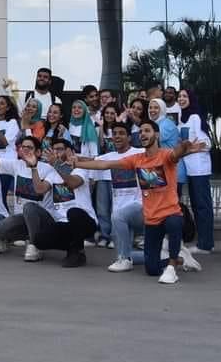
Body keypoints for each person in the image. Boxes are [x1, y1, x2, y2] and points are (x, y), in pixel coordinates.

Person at [70, 121, 208, 284]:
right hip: (151, 219)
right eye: (141, 131)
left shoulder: (165, 155)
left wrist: (184, 147)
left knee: (174, 222)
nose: (143, 134)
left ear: (157, 135)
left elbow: (176, 153)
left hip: (170, 213)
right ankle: (179, 259)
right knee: (152, 269)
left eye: (147, 131)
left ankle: (171, 268)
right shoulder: (137, 159)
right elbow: (105, 164)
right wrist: (77, 163)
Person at [0, 136, 95, 266]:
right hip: (62, 222)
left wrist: (57, 164)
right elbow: (40, 189)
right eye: (54, 150)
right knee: (40, 239)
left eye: (60, 149)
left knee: (73, 213)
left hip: (84, 220)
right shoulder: (53, 173)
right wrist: (34, 168)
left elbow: (73, 183)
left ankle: (76, 252)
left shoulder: (80, 169)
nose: (56, 153)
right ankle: (72, 249)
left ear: (71, 152)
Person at [95, 122, 147, 271]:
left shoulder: (140, 152)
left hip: (140, 208)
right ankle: (165, 256)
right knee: (123, 253)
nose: (117, 136)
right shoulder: (109, 157)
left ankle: (124, 260)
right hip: (119, 216)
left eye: (121, 133)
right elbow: (90, 160)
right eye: (115, 134)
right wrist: (73, 160)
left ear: (129, 137)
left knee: (118, 216)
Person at [176, 89, 214, 254]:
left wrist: (190, 149)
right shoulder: (181, 118)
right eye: (179, 96)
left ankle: (206, 244)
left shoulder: (195, 117)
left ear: (191, 99)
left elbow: (206, 142)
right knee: (197, 204)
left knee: (202, 206)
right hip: (188, 168)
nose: (181, 99)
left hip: (199, 168)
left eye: (185, 96)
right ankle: (203, 242)